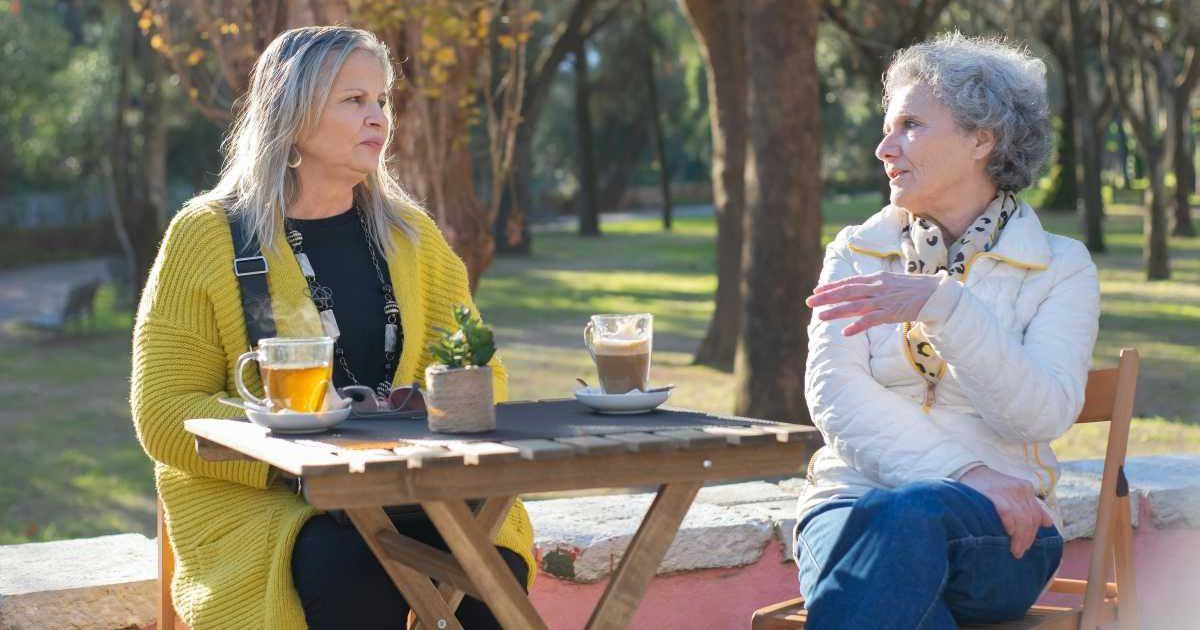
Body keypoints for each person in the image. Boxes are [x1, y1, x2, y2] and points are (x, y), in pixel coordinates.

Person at [130, 26, 533, 629]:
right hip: (268, 504)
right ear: (290, 117)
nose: (379, 118)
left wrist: (430, 405)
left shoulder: (412, 238)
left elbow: (482, 373)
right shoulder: (208, 235)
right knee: (349, 565)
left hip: (418, 493)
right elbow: (163, 412)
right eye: (354, 101)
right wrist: (302, 449)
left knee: (490, 565)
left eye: (383, 101)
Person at [795, 33, 1099, 629]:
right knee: (900, 561)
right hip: (847, 504)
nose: (884, 148)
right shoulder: (856, 251)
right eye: (888, 127)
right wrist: (969, 474)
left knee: (909, 520)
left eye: (910, 125)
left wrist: (948, 307)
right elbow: (834, 394)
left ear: (982, 138)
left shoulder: (1062, 266)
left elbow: (1039, 417)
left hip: (1001, 530)